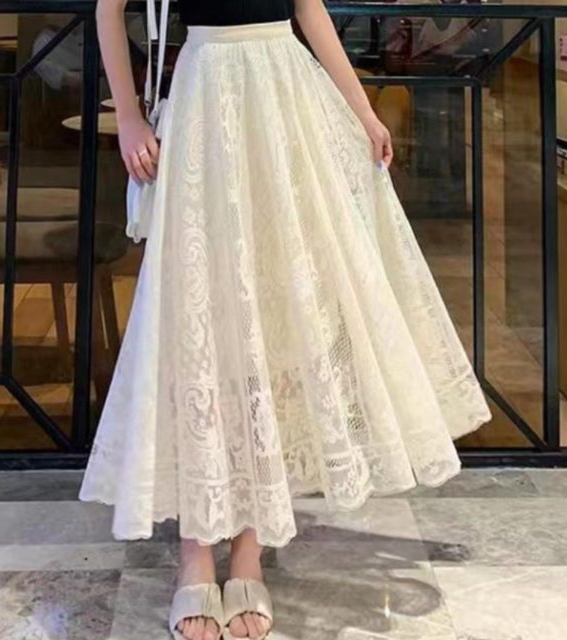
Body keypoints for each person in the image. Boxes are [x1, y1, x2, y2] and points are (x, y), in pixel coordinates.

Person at [78, 1, 492, 639]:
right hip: (206, 99)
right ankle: (195, 551)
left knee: (268, 329)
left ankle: (248, 549)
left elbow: (308, 8)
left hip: (284, 101)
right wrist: (129, 118)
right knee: (199, 322)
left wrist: (362, 111)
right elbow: (108, 8)